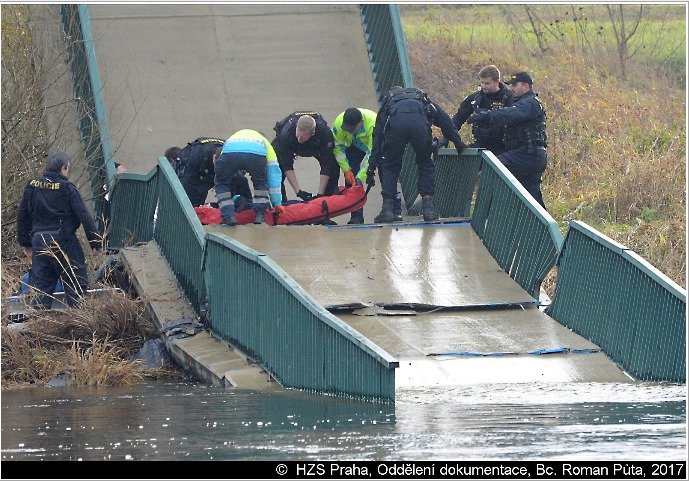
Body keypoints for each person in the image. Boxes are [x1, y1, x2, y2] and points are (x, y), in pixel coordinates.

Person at [367, 86, 466, 223]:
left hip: (396, 124)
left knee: (390, 166)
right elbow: (445, 120)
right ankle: (428, 209)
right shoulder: (421, 97)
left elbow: (377, 135)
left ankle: (387, 210)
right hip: (419, 123)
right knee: (425, 162)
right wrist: (458, 143)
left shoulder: (389, 100)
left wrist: (371, 167)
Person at [17, 151, 102, 308]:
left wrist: (26, 243)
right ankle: (81, 323)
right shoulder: (67, 188)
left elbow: (22, 216)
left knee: (40, 290)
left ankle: (40, 325)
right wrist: (96, 243)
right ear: (63, 168)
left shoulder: (32, 187)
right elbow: (84, 215)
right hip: (64, 242)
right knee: (76, 285)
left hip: (39, 242)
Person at [467, 71, 547, 208]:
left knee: (493, 167)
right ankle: (544, 227)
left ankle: (487, 214)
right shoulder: (520, 102)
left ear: (526, 86)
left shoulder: (530, 103)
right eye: (510, 85)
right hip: (529, 155)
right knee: (533, 200)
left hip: (528, 154)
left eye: (515, 85)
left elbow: (512, 114)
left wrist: (489, 116)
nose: (511, 88)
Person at [215, 129, 285, 226]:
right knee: (260, 183)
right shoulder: (265, 144)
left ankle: (229, 217)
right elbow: (274, 175)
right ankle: (259, 216)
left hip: (230, 152)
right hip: (256, 155)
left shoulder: (235, 137)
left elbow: (222, 164)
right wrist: (277, 203)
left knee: (222, 184)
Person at [443, 64, 513, 155]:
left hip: (503, 147)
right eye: (482, 83)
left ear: (497, 82)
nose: (484, 86)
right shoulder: (476, 98)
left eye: (487, 83)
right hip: (481, 143)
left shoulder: (509, 98)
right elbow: (459, 118)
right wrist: (447, 136)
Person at [271, 111, 340, 202]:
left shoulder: (324, 133)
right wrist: (298, 191)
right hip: (288, 143)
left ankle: (326, 201)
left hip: (315, 146)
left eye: (303, 137)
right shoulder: (287, 133)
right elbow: (287, 165)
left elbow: (327, 165)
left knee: (334, 168)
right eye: (298, 135)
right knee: (275, 171)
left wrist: (320, 193)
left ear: (312, 134)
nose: (299, 139)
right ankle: (281, 203)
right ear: (296, 128)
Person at [164, 137, 251, 206]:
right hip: (202, 171)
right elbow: (189, 183)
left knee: (240, 182)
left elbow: (240, 176)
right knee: (196, 195)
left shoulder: (231, 153)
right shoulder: (194, 156)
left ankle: (248, 208)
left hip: (210, 167)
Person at [331, 107, 377, 224]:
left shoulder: (373, 124)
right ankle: (356, 216)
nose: (350, 131)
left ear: (361, 122)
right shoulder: (339, 124)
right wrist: (346, 170)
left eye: (353, 128)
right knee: (350, 179)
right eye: (348, 129)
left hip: (374, 148)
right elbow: (337, 148)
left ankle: (392, 209)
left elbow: (372, 154)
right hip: (354, 146)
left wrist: (361, 178)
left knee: (385, 171)